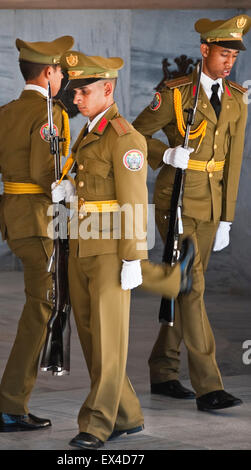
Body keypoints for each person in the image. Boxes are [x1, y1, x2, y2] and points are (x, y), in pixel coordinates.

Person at [52, 50, 195, 449]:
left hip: (112, 251)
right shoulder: (90, 131)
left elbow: (134, 201)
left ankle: (97, 424)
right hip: (82, 244)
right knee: (92, 340)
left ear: (107, 89)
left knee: (109, 345)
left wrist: (133, 256)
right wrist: (66, 194)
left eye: (82, 91)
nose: (75, 98)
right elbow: (87, 183)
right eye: (73, 91)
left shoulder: (124, 136)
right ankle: (128, 416)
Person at [133, 14, 250, 410]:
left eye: (233, 54)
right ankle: (208, 386)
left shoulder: (235, 97)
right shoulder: (175, 93)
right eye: (222, 53)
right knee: (193, 288)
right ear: (205, 50)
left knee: (181, 287)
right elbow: (136, 135)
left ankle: (163, 371)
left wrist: (228, 217)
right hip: (177, 202)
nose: (229, 61)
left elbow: (234, 161)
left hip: (212, 204)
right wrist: (164, 153)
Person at [0, 35, 74, 432]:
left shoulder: (0, 115)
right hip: (45, 225)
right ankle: (12, 406)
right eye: (62, 71)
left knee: (45, 305)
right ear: (49, 72)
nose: (65, 77)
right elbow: (47, 176)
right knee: (41, 310)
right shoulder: (52, 114)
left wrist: (4, 216)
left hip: (18, 224)